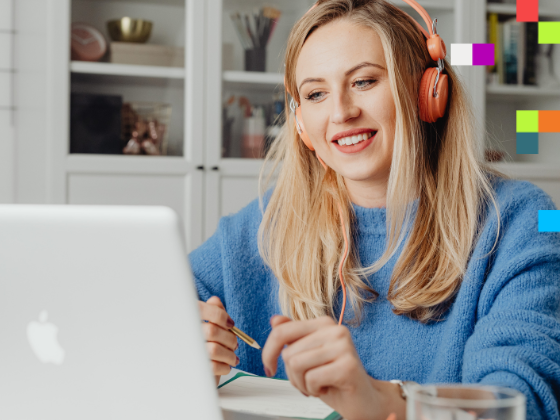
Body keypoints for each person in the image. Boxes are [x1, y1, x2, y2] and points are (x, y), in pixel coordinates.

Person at [191, 0, 560, 419]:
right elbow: (145, 308)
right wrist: (178, 342)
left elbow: (522, 402)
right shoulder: (267, 221)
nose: (341, 112)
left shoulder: (522, 221)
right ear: (299, 122)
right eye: (315, 94)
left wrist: (386, 402)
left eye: (364, 81)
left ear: (427, 93)